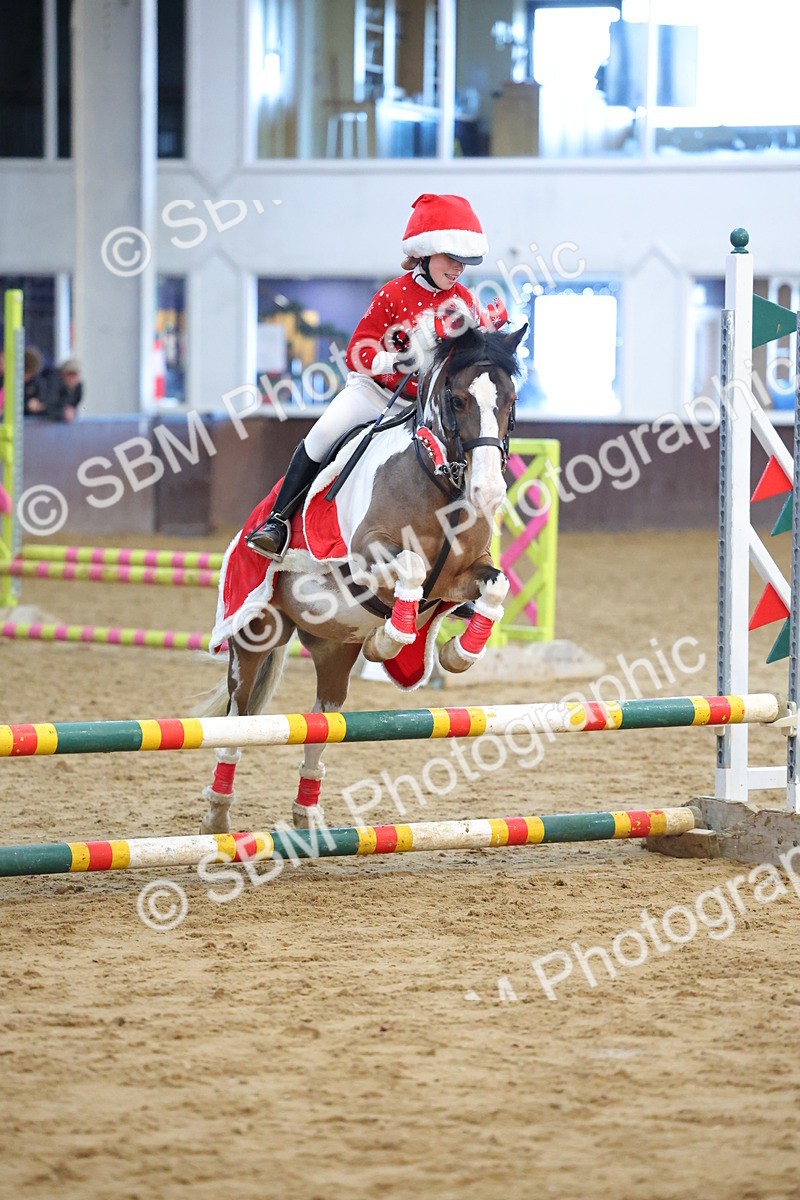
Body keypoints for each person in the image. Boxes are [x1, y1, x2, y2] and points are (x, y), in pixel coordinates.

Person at [247, 192, 505, 560]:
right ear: (425, 253)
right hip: (374, 394)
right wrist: (398, 361)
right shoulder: (392, 294)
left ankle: (461, 554)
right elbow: (357, 354)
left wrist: (493, 332)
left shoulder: (464, 301)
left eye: (463, 262)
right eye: (452, 259)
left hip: (428, 407)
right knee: (321, 436)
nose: (458, 269)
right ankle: (277, 522)